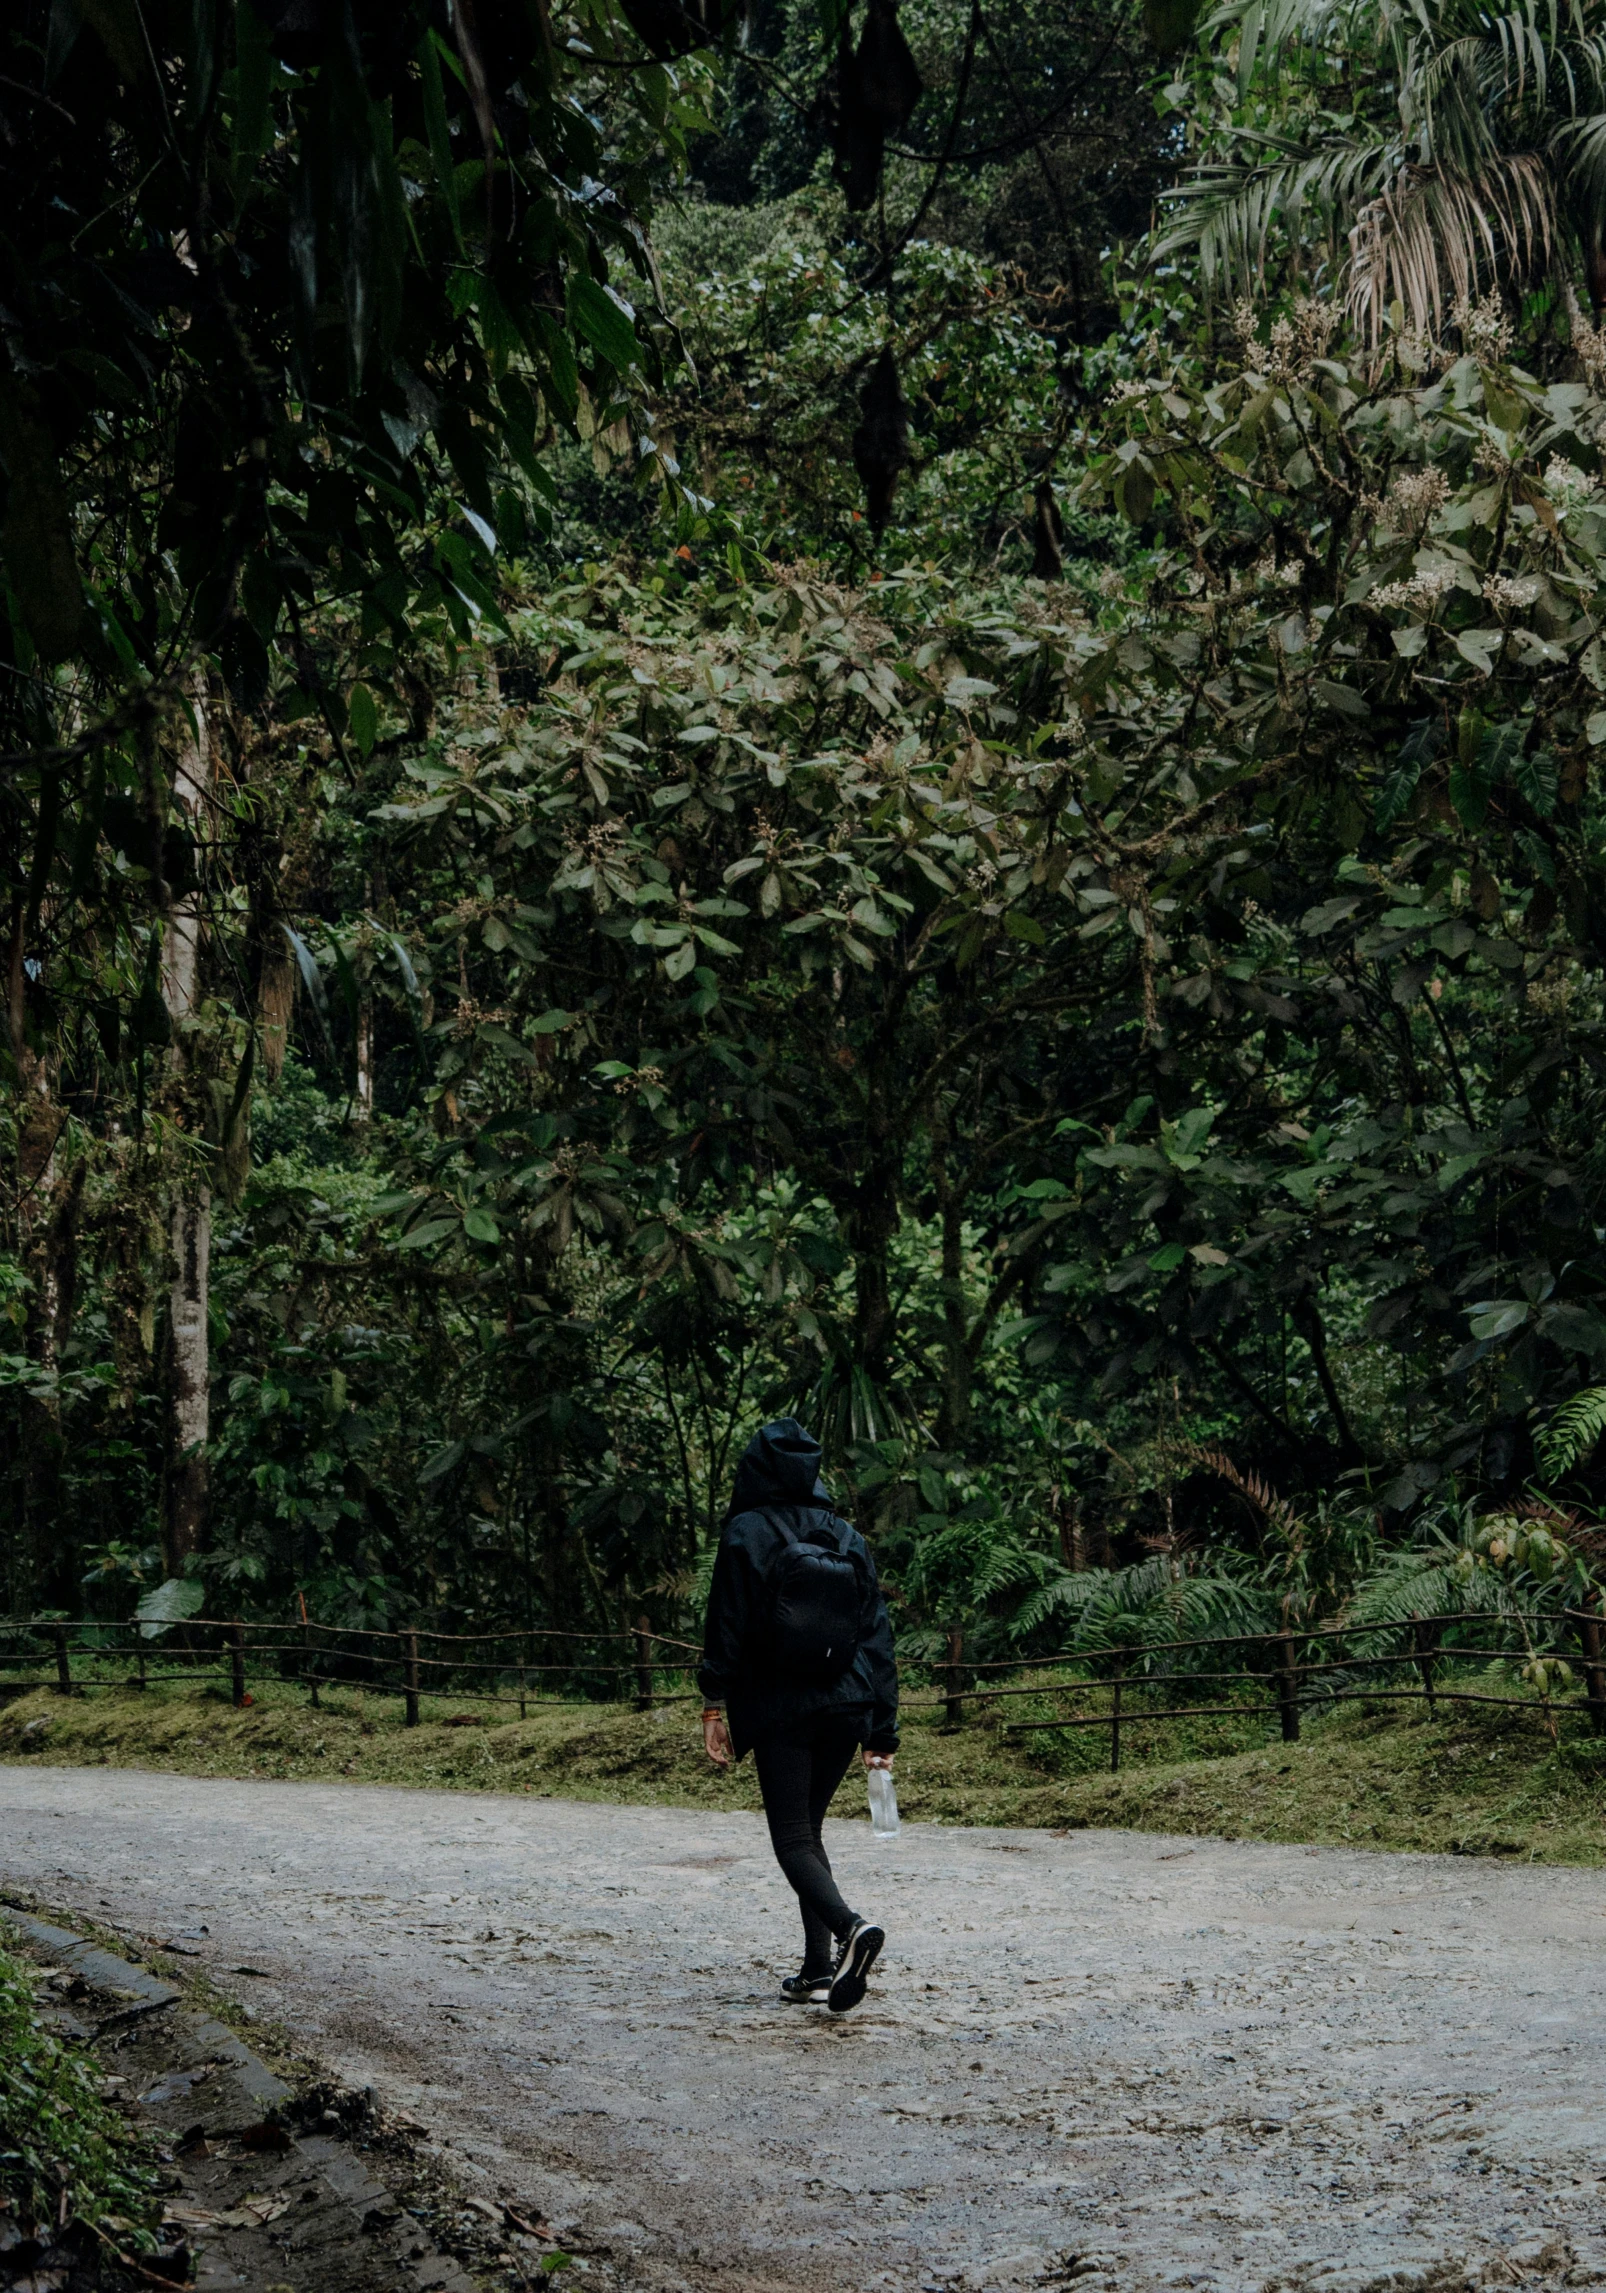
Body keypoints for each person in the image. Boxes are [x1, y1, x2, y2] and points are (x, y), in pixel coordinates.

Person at [698, 1417, 898, 2014]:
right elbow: (877, 1638)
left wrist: (714, 1705)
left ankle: (851, 1928)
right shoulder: (846, 1536)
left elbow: (726, 1623)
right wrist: (882, 1729)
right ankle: (816, 1969)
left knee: (789, 1836)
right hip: (847, 1703)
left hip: (781, 1704)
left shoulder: (746, 1532)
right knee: (808, 1834)